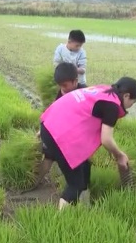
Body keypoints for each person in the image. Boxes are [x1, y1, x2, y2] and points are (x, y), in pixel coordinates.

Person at [39, 77, 136, 210]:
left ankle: (85, 206)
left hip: (49, 124)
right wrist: (119, 155)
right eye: (132, 103)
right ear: (127, 95)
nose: (130, 106)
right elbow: (106, 139)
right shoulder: (112, 105)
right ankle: (61, 222)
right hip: (58, 136)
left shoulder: (103, 89)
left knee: (85, 165)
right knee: (75, 184)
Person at [32, 62, 87, 190]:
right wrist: (42, 130)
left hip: (74, 136)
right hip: (58, 132)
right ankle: (35, 182)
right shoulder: (61, 92)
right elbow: (54, 111)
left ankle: (77, 188)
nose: (62, 88)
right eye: (60, 85)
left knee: (78, 164)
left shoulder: (83, 93)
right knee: (48, 157)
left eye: (65, 85)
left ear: (75, 81)